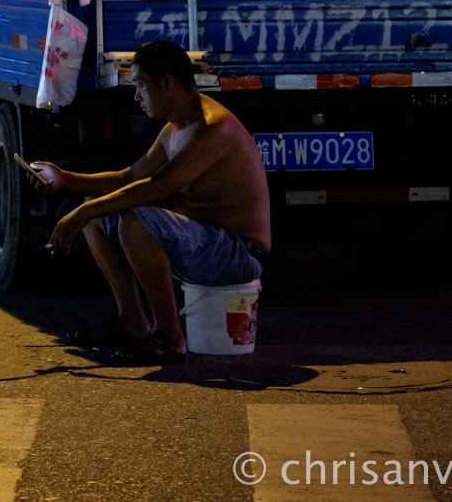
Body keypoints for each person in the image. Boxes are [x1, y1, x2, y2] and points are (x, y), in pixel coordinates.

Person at [28, 39, 271, 364]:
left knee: (136, 218)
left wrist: (81, 212)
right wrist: (65, 179)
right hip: (203, 246)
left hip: (239, 255)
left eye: (140, 86)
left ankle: (169, 336)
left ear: (167, 83)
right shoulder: (175, 129)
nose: (136, 96)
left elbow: (158, 189)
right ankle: (132, 323)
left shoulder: (215, 128)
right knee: (97, 212)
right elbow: (128, 178)